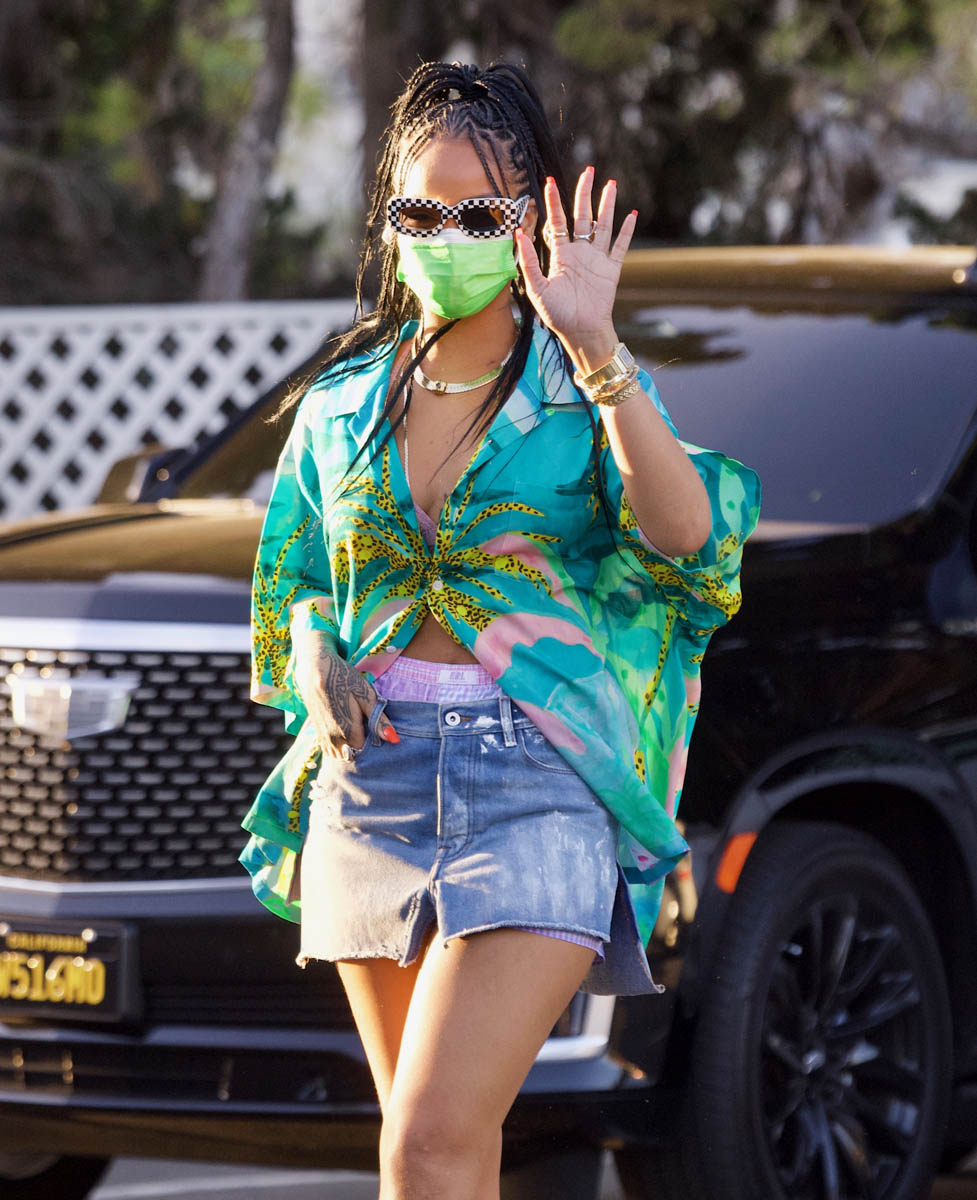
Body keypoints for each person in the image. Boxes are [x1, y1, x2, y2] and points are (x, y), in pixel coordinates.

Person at [240, 60, 760, 1200]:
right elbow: (297, 580)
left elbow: (683, 539)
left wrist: (597, 347)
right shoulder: (339, 405)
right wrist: (315, 652)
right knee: (434, 1148)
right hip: (367, 781)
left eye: (478, 216)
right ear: (389, 220)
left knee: (427, 1140)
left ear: (529, 223)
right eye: (419, 213)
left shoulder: (579, 392)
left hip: (532, 780)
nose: (446, 239)